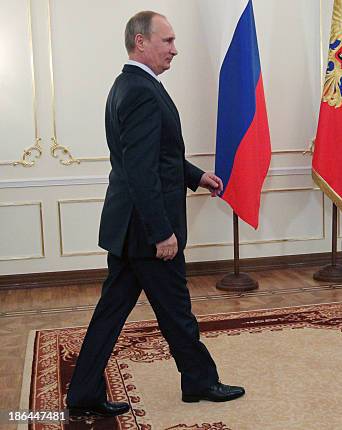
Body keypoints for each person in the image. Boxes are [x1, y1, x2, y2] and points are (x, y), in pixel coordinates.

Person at [66, 11, 245, 417]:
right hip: (148, 231)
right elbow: (141, 169)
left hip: (129, 227)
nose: (174, 49)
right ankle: (200, 382)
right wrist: (161, 232)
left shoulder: (128, 85)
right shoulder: (142, 90)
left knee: (111, 311)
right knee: (176, 309)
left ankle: (82, 393)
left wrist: (197, 176)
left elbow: (158, 157)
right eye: (167, 41)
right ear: (140, 41)